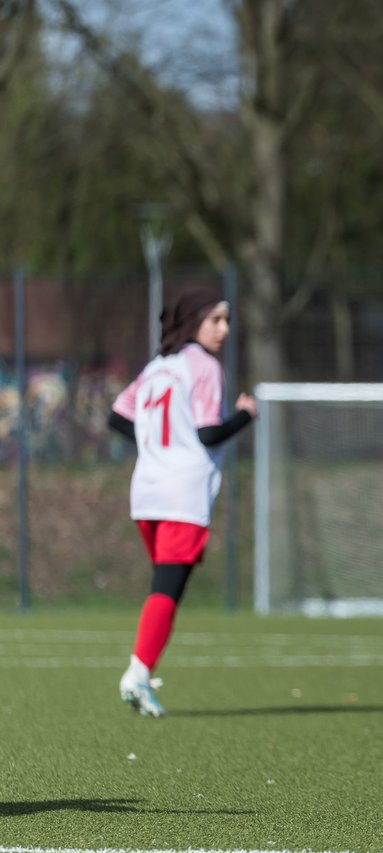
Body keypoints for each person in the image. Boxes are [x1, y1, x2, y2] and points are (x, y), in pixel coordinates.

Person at [108, 286, 257, 717]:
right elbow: (209, 433)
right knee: (167, 591)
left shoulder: (158, 366)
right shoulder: (204, 367)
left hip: (146, 492)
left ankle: (142, 672)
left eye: (227, 320)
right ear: (194, 322)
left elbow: (117, 416)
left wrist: (154, 445)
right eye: (216, 320)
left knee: (165, 587)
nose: (224, 329)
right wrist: (245, 415)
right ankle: (137, 674)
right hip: (182, 493)